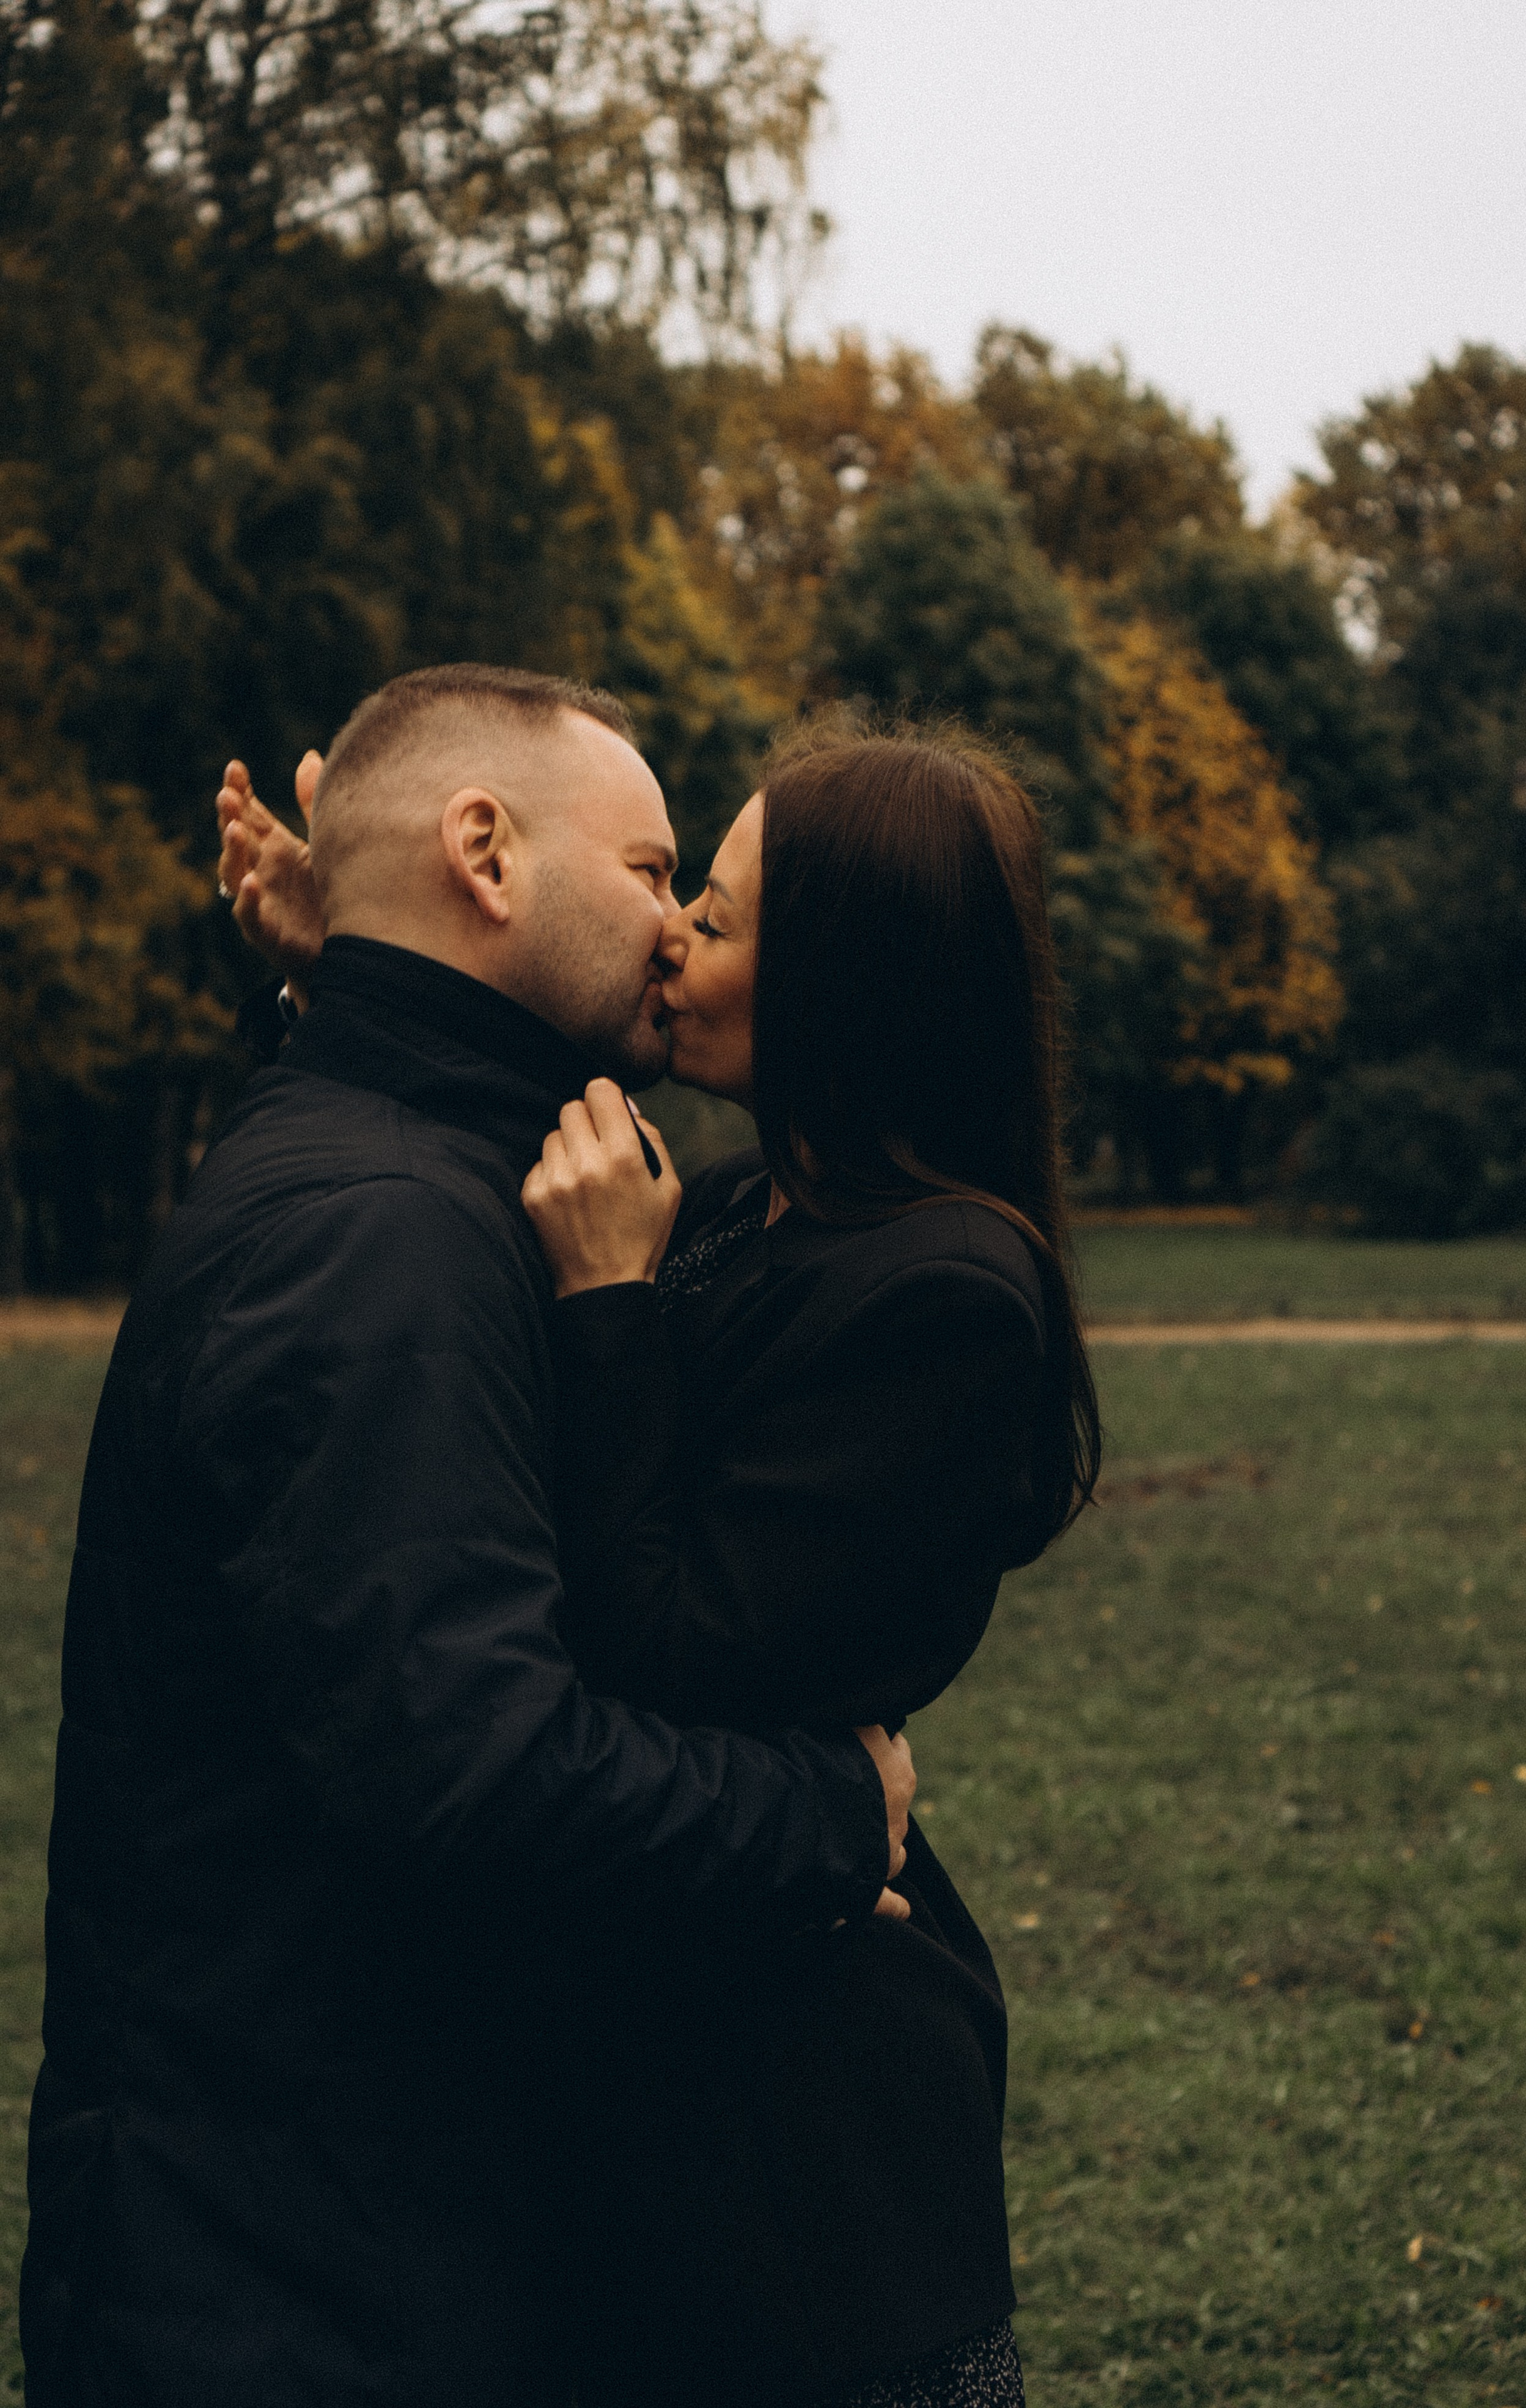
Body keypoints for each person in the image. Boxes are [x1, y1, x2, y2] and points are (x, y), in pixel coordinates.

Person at [21, 666, 917, 2408]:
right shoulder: (379, 1238)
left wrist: (342, 957)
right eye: (657, 871)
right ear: (486, 853)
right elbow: (474, 1771)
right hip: (304, 2301)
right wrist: (825, 1812)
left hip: (331, 2246)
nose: (676, 933)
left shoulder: (397, 1159)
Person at [228, 717, 1102, 2407]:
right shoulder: (725, 1212)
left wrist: (617, 1313)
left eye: (720, 909)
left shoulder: (945, 1295)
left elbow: (669, 1647)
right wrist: (354, 951)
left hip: (815, 2149)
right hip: (662, 2066)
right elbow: (478, 1175)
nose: (674, 936)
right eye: (681, 889)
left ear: (846, 978)